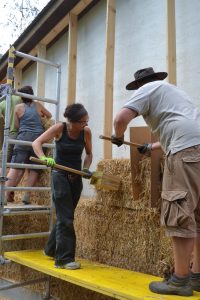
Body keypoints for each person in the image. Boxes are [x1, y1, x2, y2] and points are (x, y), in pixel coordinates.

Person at [111, 67, 200, 296]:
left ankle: (180, 281)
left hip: (184, 152)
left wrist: (118, 137)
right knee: (196, 215)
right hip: (195, 149)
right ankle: (197, 276)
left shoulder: (147, 89)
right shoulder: (176, 94)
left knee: (178, 210)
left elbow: (120, 118)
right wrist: (151, 147)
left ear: (140, 85)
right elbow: (182, 130)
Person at [32, 103, 93, 270]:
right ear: (71, 121)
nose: (86, 125)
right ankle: (63, 259)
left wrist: (86, 168)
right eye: (83, 122)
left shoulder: (85, 132)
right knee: (66, 218)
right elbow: (36, 143)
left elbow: (88, 154)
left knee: (65, 216)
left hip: (76, 178)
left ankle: (50, 249)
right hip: (59, 176)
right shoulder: (60, 128)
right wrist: (44, 158)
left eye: (86, 121)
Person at [5, 85, 52, 204]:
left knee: (15, 166)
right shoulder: (38, 105)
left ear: (22, 96)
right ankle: (27, 196)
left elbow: (16, 126)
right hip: (38, 139)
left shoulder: (18, 107)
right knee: (34, 168)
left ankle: (4, 196)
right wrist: (40, 116)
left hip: (23, 137)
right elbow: (49, 115)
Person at [0, 84, 22, 166]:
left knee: (3, 161)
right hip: (22, 133)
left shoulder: (2, 103)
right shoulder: (19, 98)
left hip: (10, 133)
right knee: (17, 161)